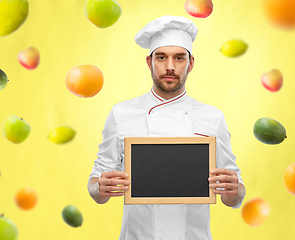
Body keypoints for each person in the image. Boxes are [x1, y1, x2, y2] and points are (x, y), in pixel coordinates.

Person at [87, 15, 246, 240]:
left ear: (190, 63)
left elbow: (235, 195)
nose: (170, 67)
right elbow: (96, 184)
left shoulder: (212, 117)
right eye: (161, 57)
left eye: (179, 58)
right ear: (149, 62)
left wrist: (234, 190)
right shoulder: (121, 114)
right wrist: (100, 188)